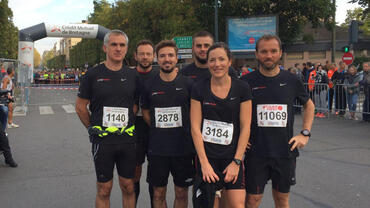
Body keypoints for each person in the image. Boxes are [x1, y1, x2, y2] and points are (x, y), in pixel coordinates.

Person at [241, 34, 315, 208]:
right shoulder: (245, 82)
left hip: (285, 152)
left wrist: (305, 133)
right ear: (257, 54)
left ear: (280, 53)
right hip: (256, 153)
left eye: (273, 51)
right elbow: (234, 112)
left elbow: (309, 106)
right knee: (252, 201)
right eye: (264, 51)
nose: (269, 55)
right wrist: (239, 139)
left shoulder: (291, 80)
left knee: (281, 200)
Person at [75, 29, 138, 208]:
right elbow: (80, 107)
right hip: (103, 142)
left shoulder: (133, 75)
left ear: (126, 48)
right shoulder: (92, 75)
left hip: (127, 141)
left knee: (128, 187)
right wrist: (93, 128)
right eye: (114, 44)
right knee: (104, 189)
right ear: (105, 48)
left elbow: (135, 106)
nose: (118, 49)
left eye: (122, 45)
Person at [191, 42, 252, 207]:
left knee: (237, 205)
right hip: (207, 158)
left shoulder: (242, 88)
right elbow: (195, 128)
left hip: (231, 158)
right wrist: (204, 163)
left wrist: (237, 162)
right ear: (208, 63)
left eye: (221, 59)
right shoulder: (199, 88)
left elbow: (246, 126)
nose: (217, 64)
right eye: (212, 60)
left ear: (229, 61)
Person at [141, 40, 194, 208]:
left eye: (170, 55)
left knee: (181, 192)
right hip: (158, 150)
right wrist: (160, 128)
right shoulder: (149, 85)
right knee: (158, 193)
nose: (167, 59)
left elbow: (195, 114)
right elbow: (146, 114)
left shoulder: (188, 84)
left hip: (183, 149)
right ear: (157, 59)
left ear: (176, 58)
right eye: (162, 56)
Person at [133, 39, 159, 206]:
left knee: (155, 177)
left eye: (148, 54)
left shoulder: (159, 75)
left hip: (155, 130)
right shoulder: (127, 75)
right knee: (134, 175)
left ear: (154, 56)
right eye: (141, 54)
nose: (145, 57)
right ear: (135, 56)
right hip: (134, 130)